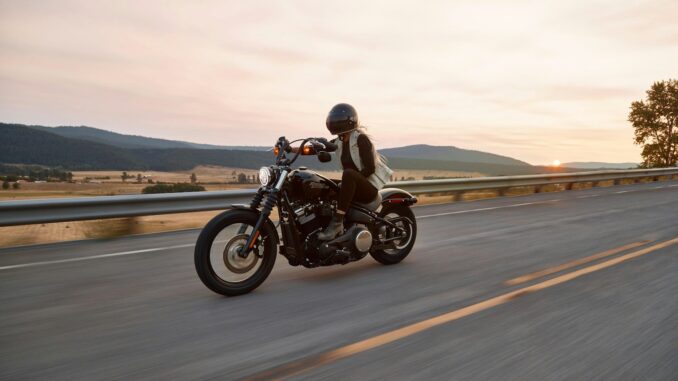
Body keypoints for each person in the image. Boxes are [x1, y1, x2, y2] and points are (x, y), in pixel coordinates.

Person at [317, 103, 393, 240]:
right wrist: (289, 149)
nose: (335, 122)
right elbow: (319, 147)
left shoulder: (360, 139)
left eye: (338, 119)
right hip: (355, 184)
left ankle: (337, 222)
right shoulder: (339, 140)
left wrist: (353, 180)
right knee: (323, 183)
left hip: (368, 189)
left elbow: (370, 169)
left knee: (348, 174)